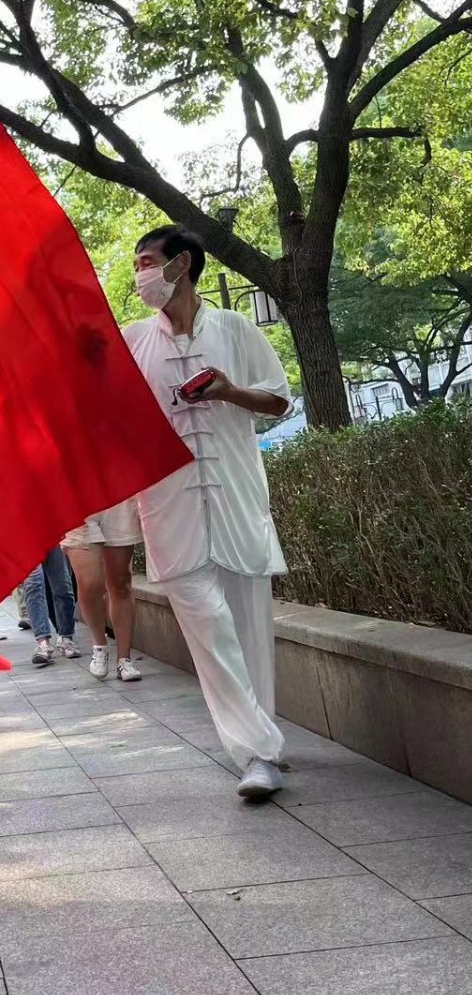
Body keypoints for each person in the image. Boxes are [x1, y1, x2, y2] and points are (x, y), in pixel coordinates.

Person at [124, 225, 292, 800]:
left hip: (238, 501)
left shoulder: (236, 328)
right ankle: (258, 749)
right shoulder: (131, 342)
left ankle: (263, 748)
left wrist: (226, 391)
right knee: (210, 628)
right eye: (137, 266)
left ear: (182, 265)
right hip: (168, 507)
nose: (141, 275)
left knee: (249, 631)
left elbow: (278, 399)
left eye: (148, 262)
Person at [62, 502, 142, 683]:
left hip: (116, 501)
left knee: (120, 583)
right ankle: (99, 646)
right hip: (77, 502)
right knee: (89, 583)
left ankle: (124, 659)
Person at [23, 549, 80, 667]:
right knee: (33, 584)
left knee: (62, 584)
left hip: (53, 539)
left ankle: (66, 637)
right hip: (25, 540)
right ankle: (43, 642)